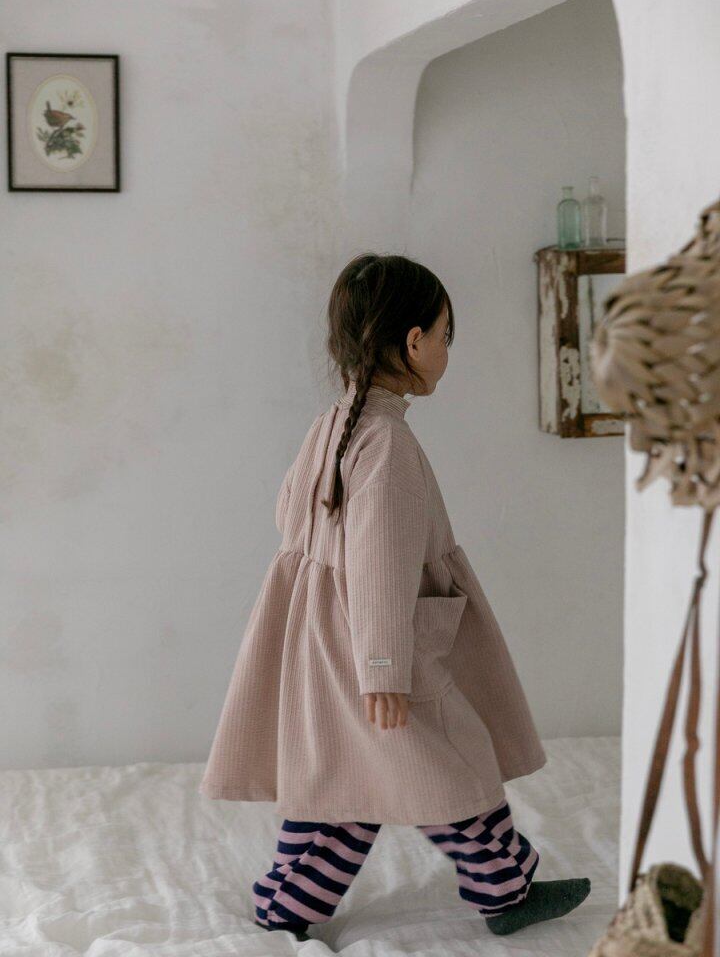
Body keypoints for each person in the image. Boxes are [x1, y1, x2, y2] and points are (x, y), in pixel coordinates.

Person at [198, 253, 591, 942]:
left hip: (325, 639)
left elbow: (289, 514)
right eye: (445, 336)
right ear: (413, 343)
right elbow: (380, 564)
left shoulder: (334, 423)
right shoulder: (387, 443)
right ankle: (498, 889)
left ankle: (292, 899)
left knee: (342, 776)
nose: (446, 351)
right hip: (377, 646)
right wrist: (383, 668)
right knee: (443, 766)